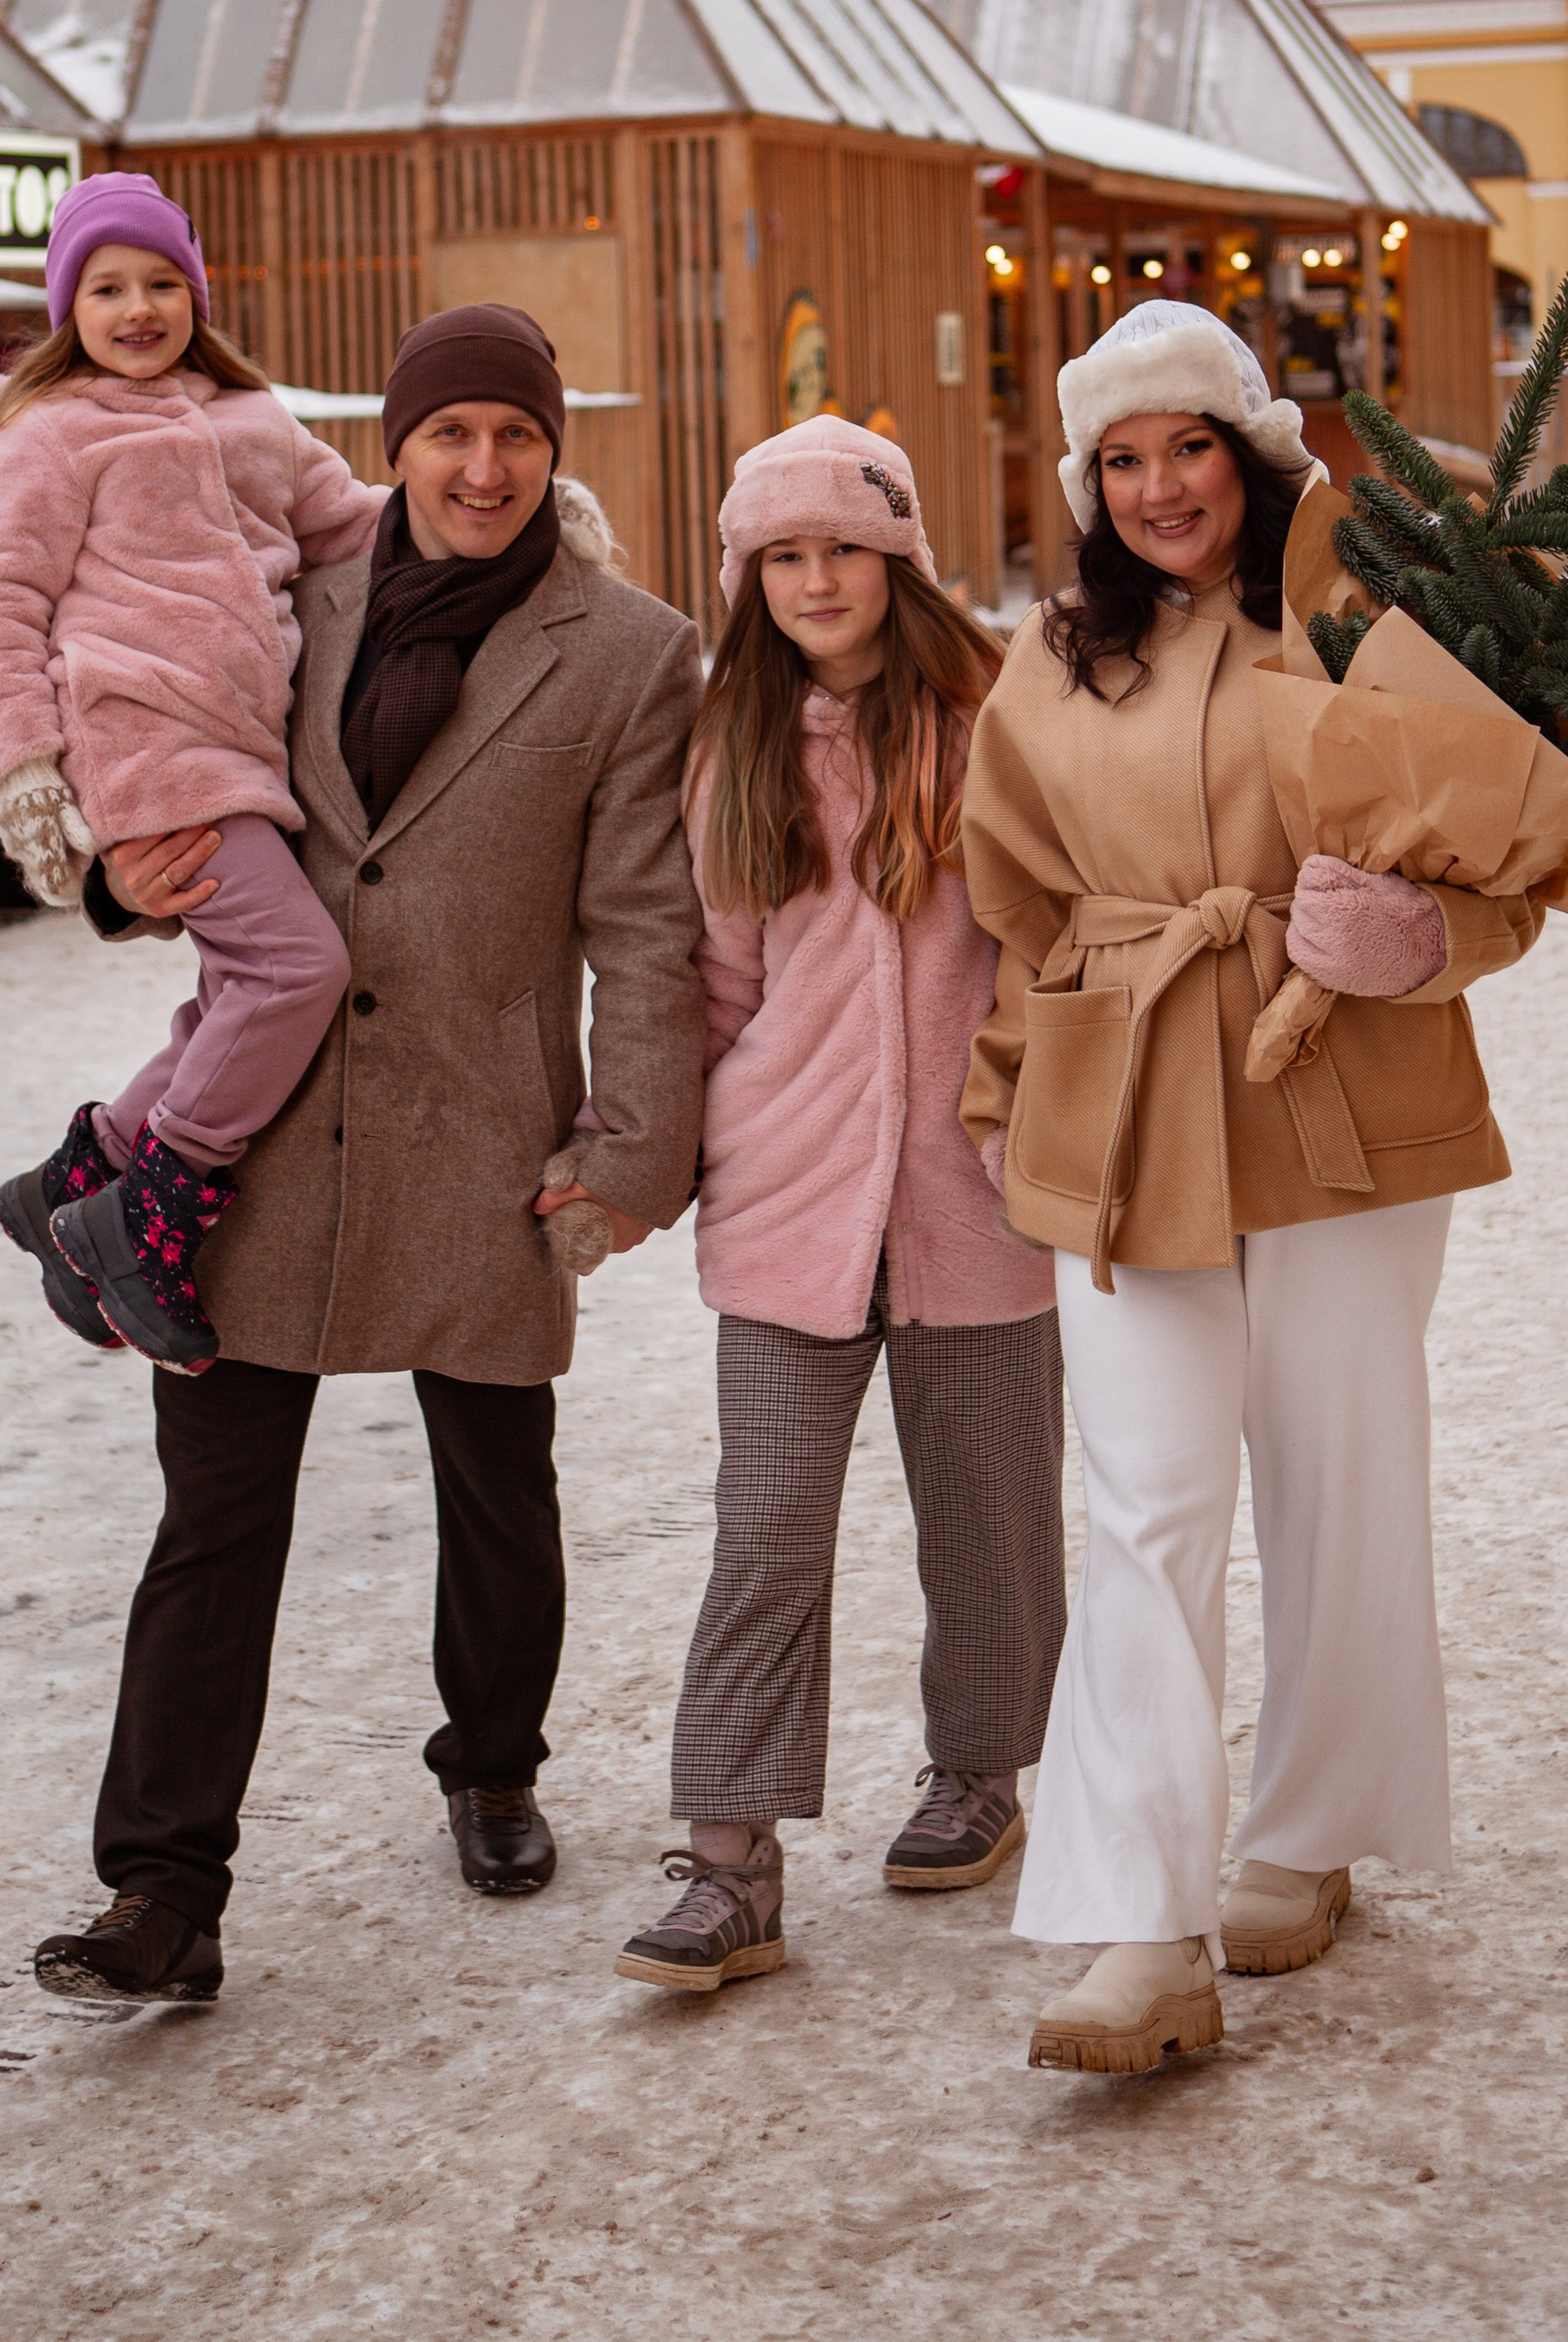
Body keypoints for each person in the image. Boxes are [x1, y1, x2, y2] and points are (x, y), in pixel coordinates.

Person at [26, 300, 706, 2004]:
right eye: (451, 434)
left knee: (497, 1484)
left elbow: (644, 927)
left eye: (518, 437)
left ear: (557, 454)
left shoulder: (627, 649)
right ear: (397, 444)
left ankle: (494, 1762)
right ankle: (162, 1891)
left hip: (483, 1135)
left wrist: (628, 1153)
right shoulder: (280, 600)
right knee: (213, 1523)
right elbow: (160, 754)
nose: (484, 468)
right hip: (255, 1154)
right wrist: (112, 876)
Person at [957, 300, 1544, 2078]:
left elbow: (1513, 848)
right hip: (1123, 1104)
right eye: (1118, 462)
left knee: (1332, 1467)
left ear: (1250, 454)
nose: (1155, 489)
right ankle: (1139, 1930)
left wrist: (1426, 934)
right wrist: (1002, 1097)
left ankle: (1304, 1826)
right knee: (1138, 1501)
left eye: (1184, 448)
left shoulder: (1364, 620)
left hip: (1342, 1094)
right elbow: (1017, 905)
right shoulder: (1046, 663)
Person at [615, 421, 1064, 1997]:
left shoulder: (995, 715)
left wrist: (1029, 1128)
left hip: (977, 1195)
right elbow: (720, 984)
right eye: (783, 555)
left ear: (901, 557)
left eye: (845, 549)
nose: (817, 580)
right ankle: (730, 1862)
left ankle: (983, 1770)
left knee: (992, 1524)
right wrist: (689, 1149)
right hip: (788, 1205)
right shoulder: (727, 742)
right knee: (766, 1537)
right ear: (745, 575)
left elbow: (1040, 946)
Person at [0, 170, 383, 1370]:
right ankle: (152, 1205)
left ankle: (78, 1176)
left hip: (246, 753)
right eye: (105, 288)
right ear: (65, 309)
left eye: (159, 283)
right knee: (300, 971)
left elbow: (356, 525)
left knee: (239, 990)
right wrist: (25, 771)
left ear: (195, 291)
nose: (137, 308)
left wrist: (512, 510)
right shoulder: (48, 435)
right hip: (143, 742)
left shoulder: (256, 422)